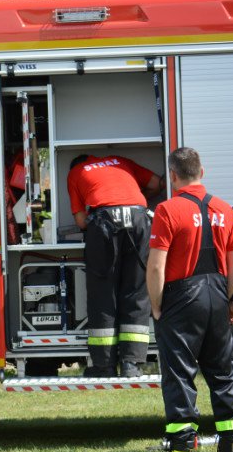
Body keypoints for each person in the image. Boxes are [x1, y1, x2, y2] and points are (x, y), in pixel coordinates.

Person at [146, 147, 233, 452]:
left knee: (180, 377)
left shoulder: (167, 210)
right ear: (203, 171)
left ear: (173, 176)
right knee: (223, 374)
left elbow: (156, 267)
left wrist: (157, 306)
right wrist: (227, 298)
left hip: (181, 299)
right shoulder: (224, 209)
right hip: (218, 296)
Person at [67, 153, 163, 377]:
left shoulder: (76, 172)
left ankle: (104, 365)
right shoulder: (121, 160)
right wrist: (137, 200)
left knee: (103, 293)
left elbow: (81, 221)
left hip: (104, 223)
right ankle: (132, 364)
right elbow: (158, 183)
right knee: (137, 290)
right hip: (139, 219)